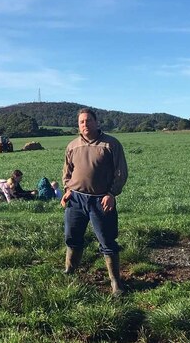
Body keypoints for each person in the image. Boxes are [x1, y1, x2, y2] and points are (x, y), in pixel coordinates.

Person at [60, 108, 128, 295]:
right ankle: (70, 271)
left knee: (107, 240)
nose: (85, 124)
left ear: (97, 122)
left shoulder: (111, 144)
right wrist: (67, 190)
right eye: (81, 122)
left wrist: (111, 193)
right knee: (72, 237)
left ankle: (115, 282)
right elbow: (67, 172)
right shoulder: (72, 145)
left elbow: (120, 172)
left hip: (101, 200)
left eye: (89, 121)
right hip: (75, 199)